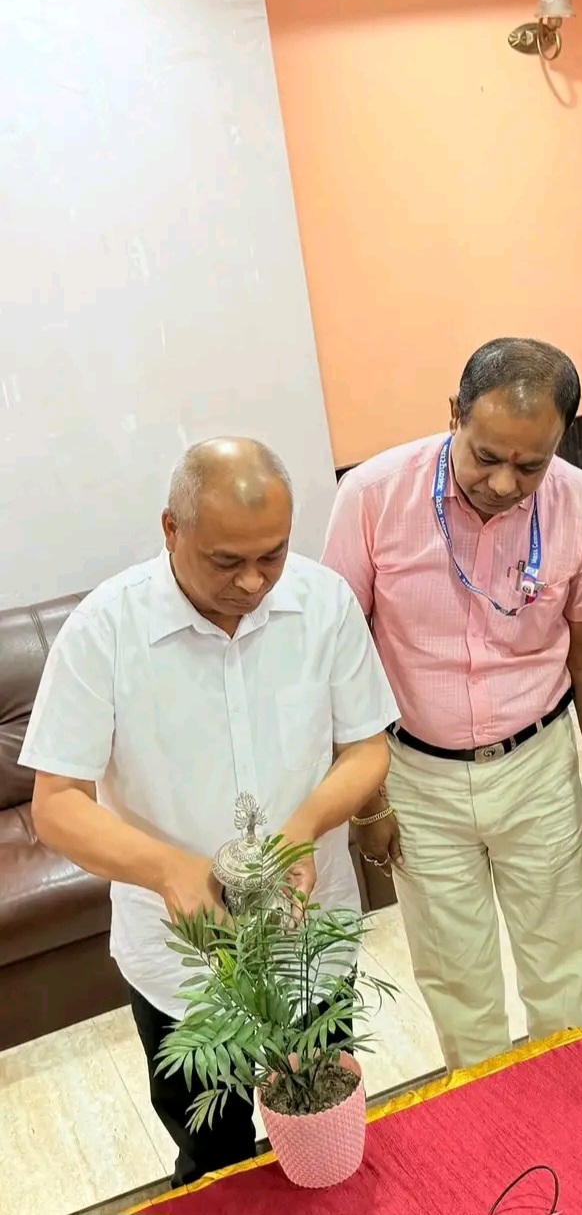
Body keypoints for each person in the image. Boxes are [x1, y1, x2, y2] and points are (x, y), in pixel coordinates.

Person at [21, 438, 398, 1187]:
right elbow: (57, 803)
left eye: (272, 555)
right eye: (226, 561)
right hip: (182, 964)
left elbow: (365, 749)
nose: (252, 581)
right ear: (171, 529)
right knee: (213, 1157)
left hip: (307, 939)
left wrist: (301, 833)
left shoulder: (322, 603)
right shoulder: (105, 629)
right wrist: (168, 870)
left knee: (322, 1134)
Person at [322, 337, 582, 1072]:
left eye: (530, 466)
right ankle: (489, 1120)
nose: (503, 483)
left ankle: (570, 1104)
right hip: (417, 775)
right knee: (457, 979)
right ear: (454, 414)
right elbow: (339, 657)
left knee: (562, 964)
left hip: (537, 765)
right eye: (486, 456)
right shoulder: (373, 496)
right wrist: (367, 802)